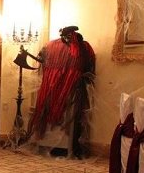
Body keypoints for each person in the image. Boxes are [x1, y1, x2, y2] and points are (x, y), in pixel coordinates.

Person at [28, 25, 95, 157]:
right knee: (58, 114)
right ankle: (53, 144)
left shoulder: (57, 45)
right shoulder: (79, 47)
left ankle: (59, 145)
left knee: (63, 115)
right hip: (61, 87)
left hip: (60, 87)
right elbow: (89, 69)